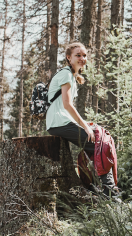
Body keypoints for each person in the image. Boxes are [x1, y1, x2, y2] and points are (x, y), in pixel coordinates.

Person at [46, 42, 116, 192]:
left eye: (84, 55)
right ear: (68, 57)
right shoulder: (65, 74)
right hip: (59, 123)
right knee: (100, 144)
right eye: (78, 55)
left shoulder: (71, 75)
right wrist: (85, 126)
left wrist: (86, 125)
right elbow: (67, 105)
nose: (82, 58)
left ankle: (93, 187)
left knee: (101, 136)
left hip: (62, 121)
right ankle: (110, 192)